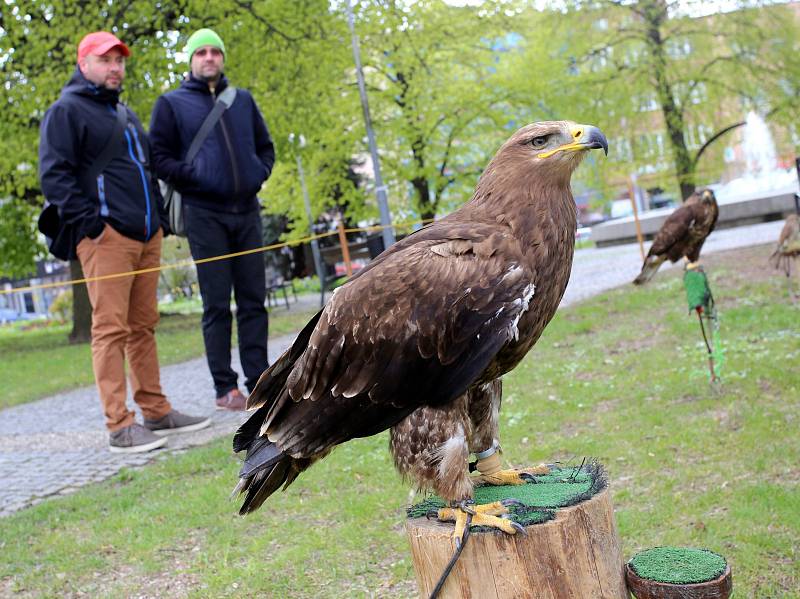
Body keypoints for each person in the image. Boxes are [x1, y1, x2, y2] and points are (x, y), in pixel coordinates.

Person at [39, 31, 211, 453]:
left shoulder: (127, 114)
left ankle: (156, 411)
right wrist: (93, 226)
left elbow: (146, 171)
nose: (115, 67)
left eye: (119, 61)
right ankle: (119, 425)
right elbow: (54, 176)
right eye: (105, 60)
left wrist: (158, 225)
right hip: (106, 238)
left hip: (147, 236)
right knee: (110, 330)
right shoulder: (66, 111)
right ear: (85, 65)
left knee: (143, 328)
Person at [150, 28, 275, 411]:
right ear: (190, 59)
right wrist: (200, 180)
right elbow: (159, 157)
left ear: (222, 58)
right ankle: (225, 387)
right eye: (201, 52)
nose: (209, 58)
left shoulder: (243, 101)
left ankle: (260, 380)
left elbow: (266, 149)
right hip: (204, 215)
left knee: (254, 300)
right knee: (216, 304)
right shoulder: (170, 104)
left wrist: (256, 174)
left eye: (215, 52)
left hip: (247, 212)